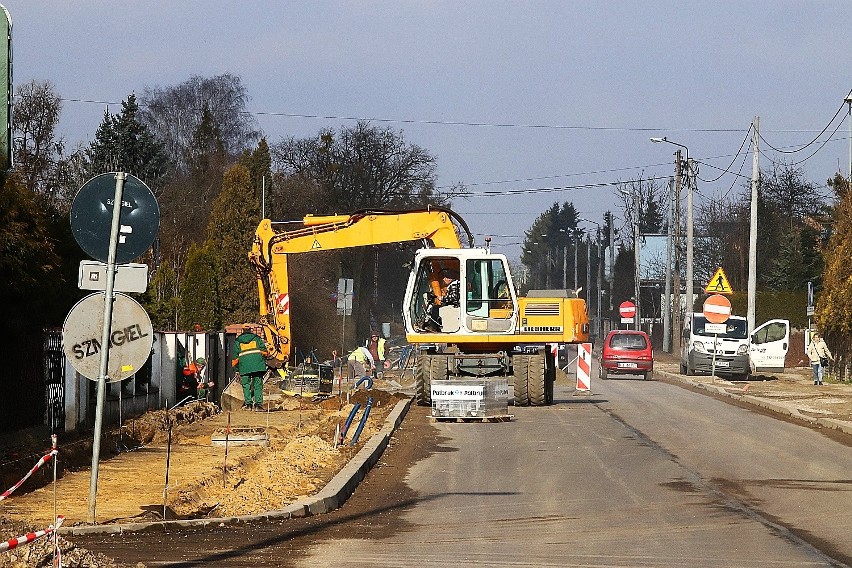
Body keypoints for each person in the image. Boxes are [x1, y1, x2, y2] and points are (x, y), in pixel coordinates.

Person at [232, 325, 268, 410]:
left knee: (246, 385)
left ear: (242, 330)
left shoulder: (238, 341)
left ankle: (248, 405)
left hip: (244, 367)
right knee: (258, 385)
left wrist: (237, 369)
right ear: (250, 330)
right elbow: (265, 352)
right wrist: (262, 360)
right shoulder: (257, 339)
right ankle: (258, 405)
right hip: (257, 366)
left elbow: (235, 358)